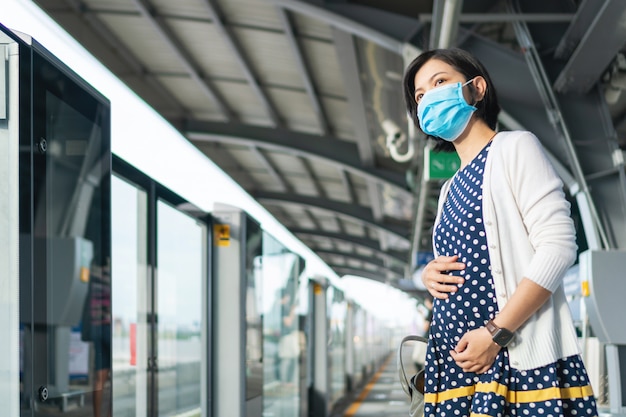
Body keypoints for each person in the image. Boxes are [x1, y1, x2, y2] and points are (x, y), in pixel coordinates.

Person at [402, 48, 598, 417]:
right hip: (456, 369)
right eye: (420, 95)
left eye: (439, 81)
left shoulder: (513, 148)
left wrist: (495, 334)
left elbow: (557, 246)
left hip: (513, 362)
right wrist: (429, 276)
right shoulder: (448, 189)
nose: (428, 98)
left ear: (476, 89)